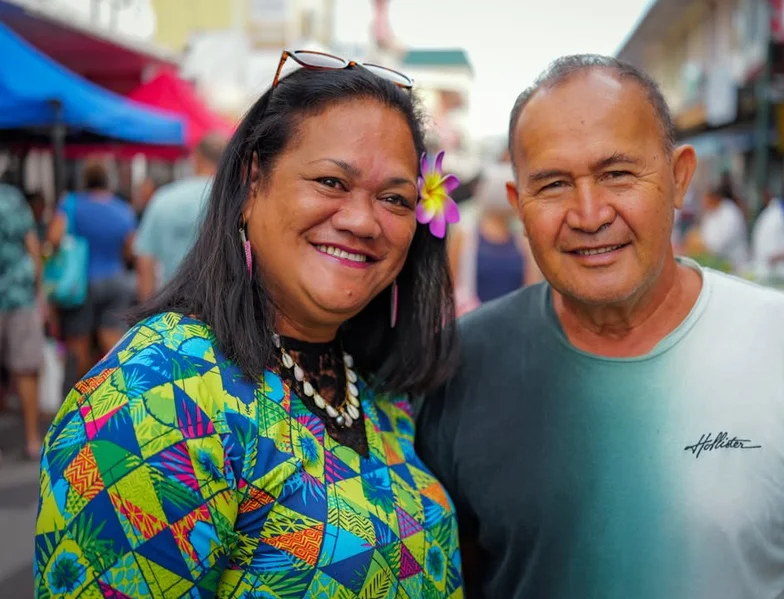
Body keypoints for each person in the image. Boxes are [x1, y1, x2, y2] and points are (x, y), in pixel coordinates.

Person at [416, 54, 784, 599]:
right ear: (519, 206)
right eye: (553, 184)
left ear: (679, 178)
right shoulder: (462, 364)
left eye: (617, 174)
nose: (590, 213)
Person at [35, 50, 462, 599]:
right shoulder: (159, 400)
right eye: (332, 182)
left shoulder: (374, 388)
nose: (362, 220)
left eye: (395, 198)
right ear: (250, 183)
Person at [46, 160, 137, 378]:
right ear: (108, 181)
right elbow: (130, 250)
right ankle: (119, 389)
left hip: (80, 284)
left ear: (84, 180)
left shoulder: (71, 204)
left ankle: (84, 395)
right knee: (113, 342)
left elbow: (53, 238)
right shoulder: (123, 209)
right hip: (116, 280)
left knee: (79, 345)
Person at [135, 133, 229, 301]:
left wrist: (146, 311)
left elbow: (145, 260)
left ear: (196, 158)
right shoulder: (234, 200)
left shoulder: (163, 198)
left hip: (170, 305)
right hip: (222, 304)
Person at [450, 159, 541, 315]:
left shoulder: (522, 239)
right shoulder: (465, 234)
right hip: (470, 321)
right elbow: (450, 283)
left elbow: (531, 286)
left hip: (513, 322)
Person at [0, 183, 44, 460]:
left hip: (17, 293)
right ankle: (31, 439)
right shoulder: (11, 196)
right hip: (19, 293)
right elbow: (32, 246)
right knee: (27, 368)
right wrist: (40, 293)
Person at [683, 183, 749, 271]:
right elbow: (704, 234)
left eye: (707, 200)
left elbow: (720, 243)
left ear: (714, 198)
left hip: (735, 264)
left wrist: (701, 244)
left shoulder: (730, 213)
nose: (704, 203)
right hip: (717, 263)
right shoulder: (710, 214)